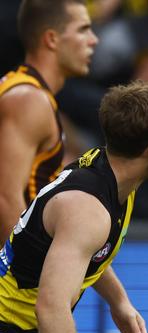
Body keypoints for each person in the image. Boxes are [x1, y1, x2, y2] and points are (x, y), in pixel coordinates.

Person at [0, 80, 148, 333]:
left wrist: (118, 300)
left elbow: (87, 249)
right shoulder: (89, 210)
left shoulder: (113, 171)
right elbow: (51, 309)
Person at [0, 0, 99, 242]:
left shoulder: (28, 93)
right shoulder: (29, 100)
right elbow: (4, 198)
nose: (94, 40)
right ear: (52, 39)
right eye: (83, 29)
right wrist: (27, 276)